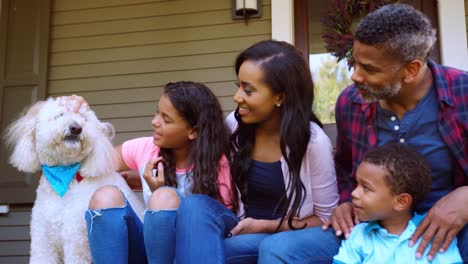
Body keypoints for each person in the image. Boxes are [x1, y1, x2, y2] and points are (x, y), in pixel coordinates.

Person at [171, 40, 340, 263]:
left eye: (248, 90)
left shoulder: (313, 143)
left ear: (280, 97)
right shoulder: (235, 125)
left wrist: (264, 226)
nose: (237, 97)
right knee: (195, 206)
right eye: (238, 85)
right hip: (244, 226)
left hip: (296, 236)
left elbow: (325, 219)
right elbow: (192, 148)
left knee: (265, 247)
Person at [323, 3, 468, 263]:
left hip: (455, 228)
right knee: (284, 249)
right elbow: (344, 167)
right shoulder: (350, 103)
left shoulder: (464, 93)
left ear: (411, 69)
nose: (355, 76)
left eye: (370, 69)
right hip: (372, 229)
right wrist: (346, 201)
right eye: (355, 63)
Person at [67, 81, 238, 263]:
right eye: (157, 112)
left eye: (166, 119)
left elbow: (220, 224)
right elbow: (90, 163)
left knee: (163, 197)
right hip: (150, 250)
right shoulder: (145, 148)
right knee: (106, 196)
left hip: (191, 253)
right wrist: (78, 115)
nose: (155, 122)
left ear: (193, 131)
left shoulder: (218, 163)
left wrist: (159, 191)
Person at [333, 143, 463, 264]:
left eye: (366, 188)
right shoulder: (358, 236)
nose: (354, 193)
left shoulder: (435, 236)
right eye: (357, 184)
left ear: (401, 202)